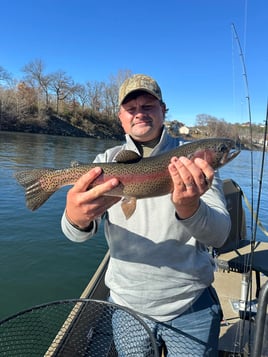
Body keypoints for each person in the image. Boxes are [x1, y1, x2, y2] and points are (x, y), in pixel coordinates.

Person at [61, 74, 231, 356]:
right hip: (126, 306)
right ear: (120, 117)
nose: (140, 113)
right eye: (131, 108)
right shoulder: (104, 162)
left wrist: (190, 208)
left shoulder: (192, 161)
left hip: (191, 304)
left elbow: (220, 234)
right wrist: (76, 219)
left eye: (148, 106)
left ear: (164, 110)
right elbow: (74, 234)